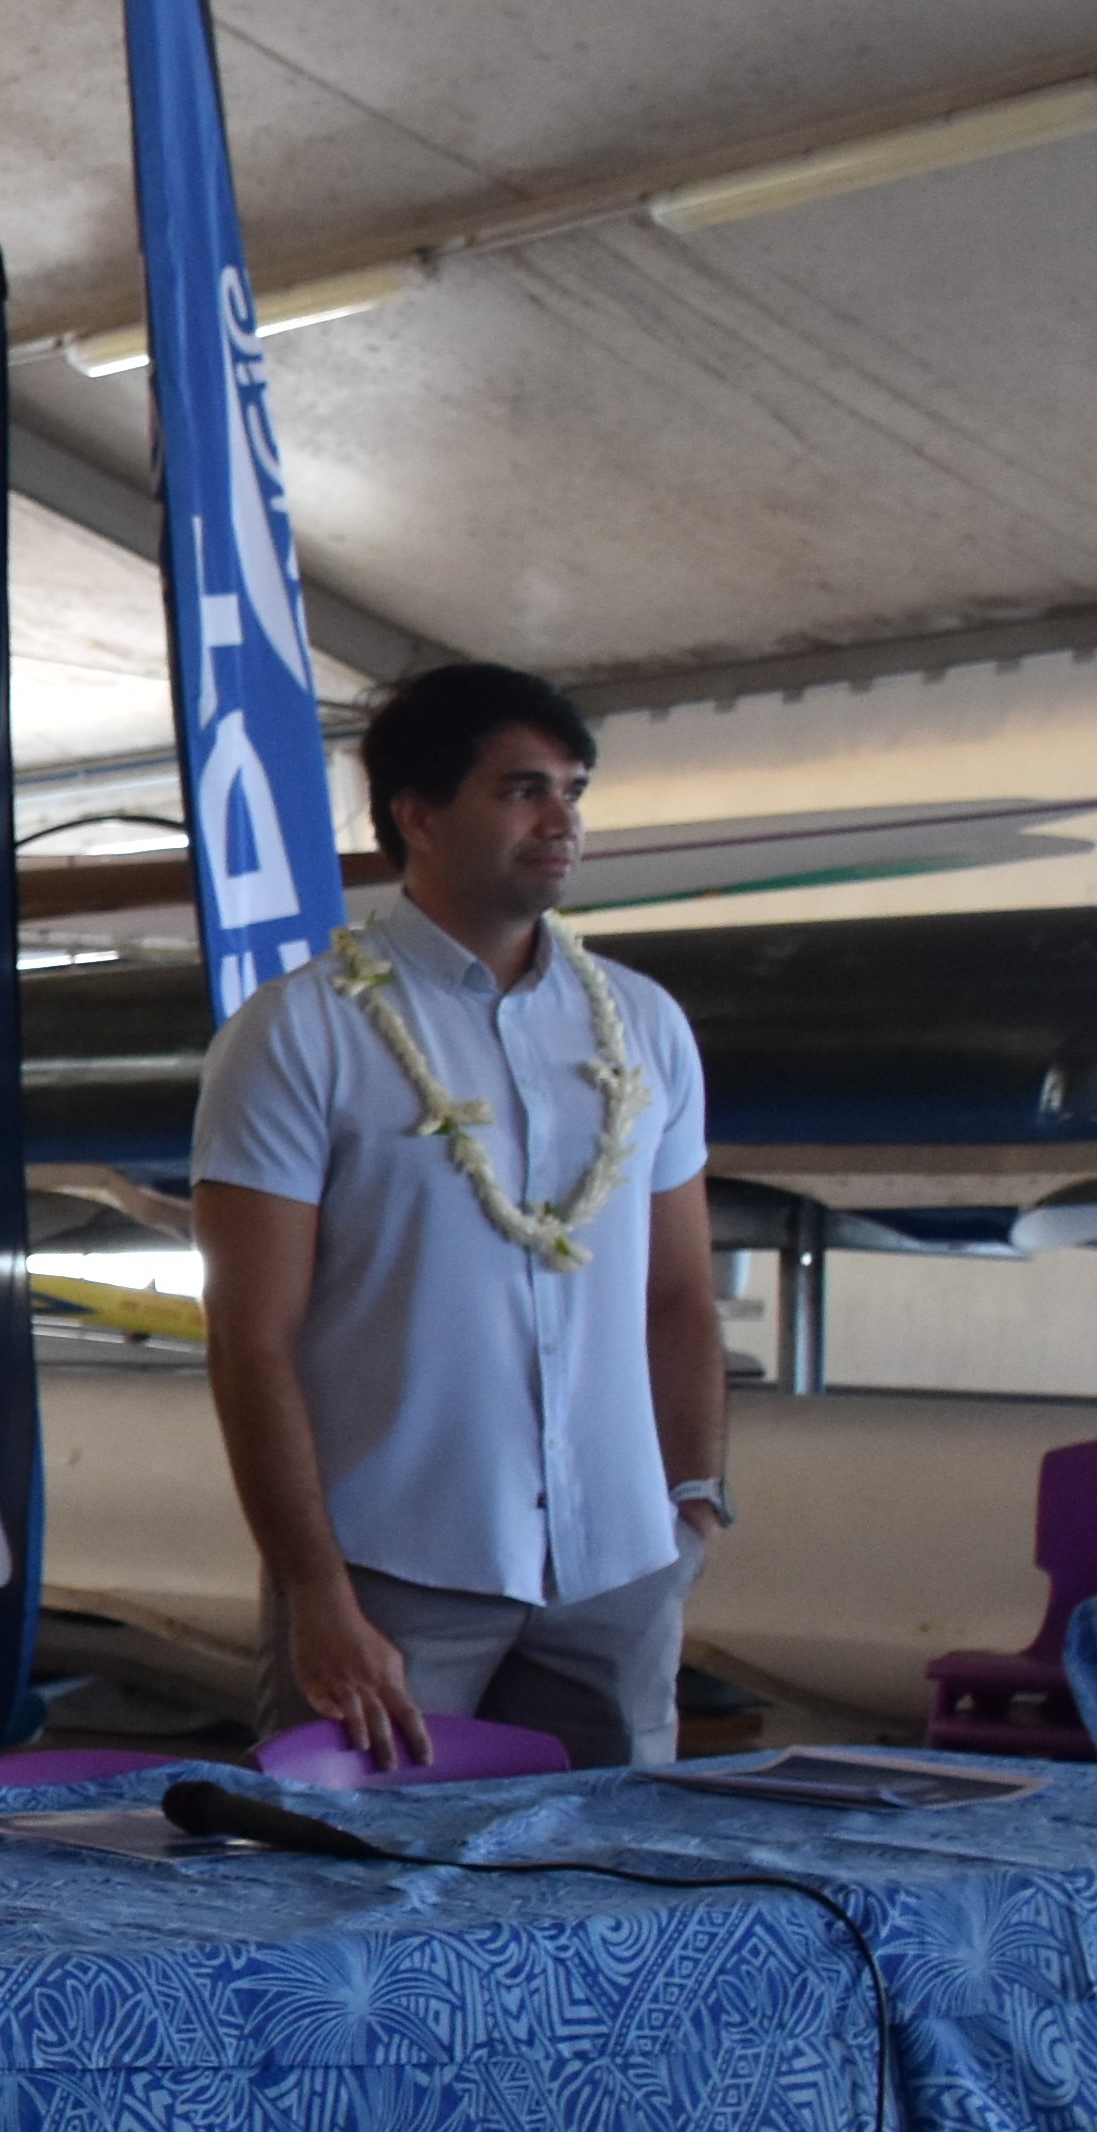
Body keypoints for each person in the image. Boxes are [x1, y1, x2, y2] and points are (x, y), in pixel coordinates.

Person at [193, 660, 724, 1770]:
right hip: (392, 1578)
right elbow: (250, 1341)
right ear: (419, 815)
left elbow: (677, 1294)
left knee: (616, 1911)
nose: (560, 820)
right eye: (522, 789)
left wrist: (694, 1504)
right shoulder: (301, 1033)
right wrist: (316, 1595)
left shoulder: (644, 1025)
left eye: (571, 790)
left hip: (619, 1573)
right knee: (368, 1913)